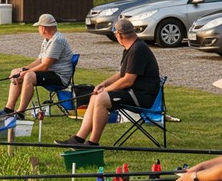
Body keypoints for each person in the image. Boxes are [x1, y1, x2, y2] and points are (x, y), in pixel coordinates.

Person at [55, 18, 159, 146]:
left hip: (141, 97)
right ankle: (78, 139)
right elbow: (122, 74)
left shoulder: (138, 50)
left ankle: (93, 142)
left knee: (101, 98)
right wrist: (103, 84)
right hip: (132, 93)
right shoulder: (131, 48)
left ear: (119, 35)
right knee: (95, 96)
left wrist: (105, 90)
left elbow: (128, 81)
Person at [0, 13, 74, 120]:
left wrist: (25, 73)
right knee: (16, 72)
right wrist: (22, 70)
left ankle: (20, 113)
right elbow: (39, 60)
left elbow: (45, 66)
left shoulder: (57, 41)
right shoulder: (47, 40)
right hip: (50, 73)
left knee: (29, 76)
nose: (38, 29)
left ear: (43, 28)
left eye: (38, 26)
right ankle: (8, 110)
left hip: (59, 77)